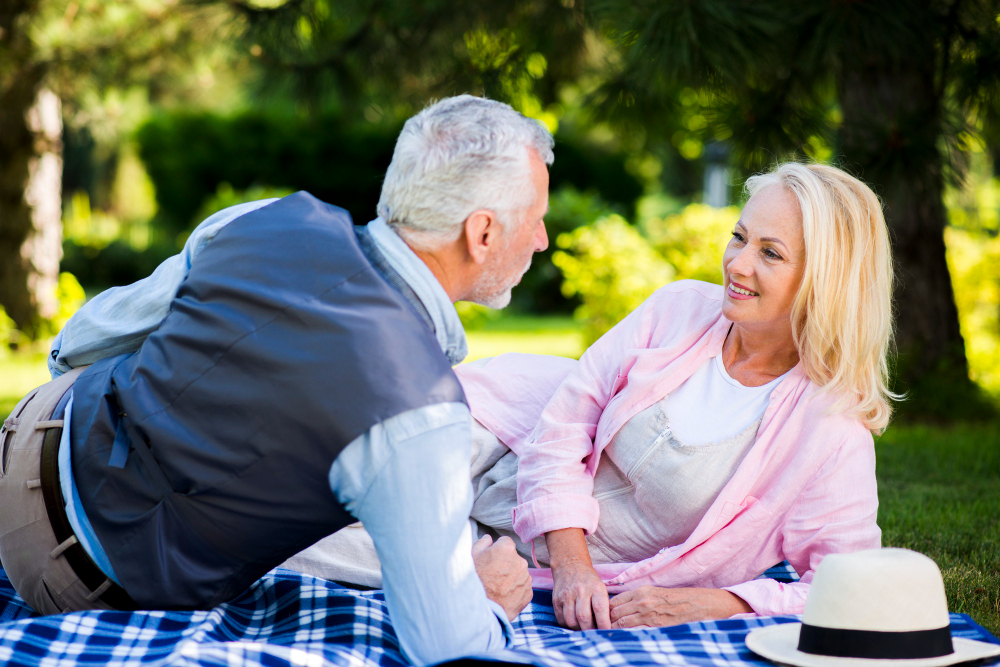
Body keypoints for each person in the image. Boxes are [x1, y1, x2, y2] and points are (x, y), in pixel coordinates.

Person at [0, 95, 551, 665]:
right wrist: (485, 599)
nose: (541, 239)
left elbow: (83, 343)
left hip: (26, 436)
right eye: (536, 219)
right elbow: (446, 645)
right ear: (481, 233)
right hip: (71, 577)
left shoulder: (265, 217)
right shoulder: (421, 412)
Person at [297, 162, 893, 633]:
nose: (736, 264)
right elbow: (562, 426)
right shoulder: (680, 308)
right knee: (312, 476)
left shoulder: (831, 430)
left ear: (827, 280)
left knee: (305, 542)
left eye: (770, 252)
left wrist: (722, 603)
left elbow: (847, 586)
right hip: (498, 442)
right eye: (739, 236)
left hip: (502, 552)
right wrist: (572, 564)